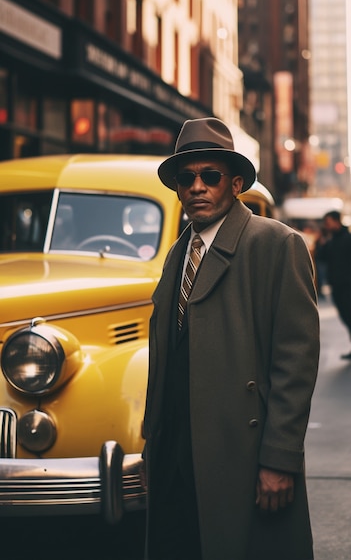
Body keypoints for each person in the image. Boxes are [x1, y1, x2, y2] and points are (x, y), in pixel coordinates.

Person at [142, 117, 320, 560]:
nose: (197, 187)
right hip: (176, 455)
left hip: (241, 456)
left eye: (211, 176)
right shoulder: (176, 255)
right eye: (187, 178)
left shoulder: (277, 244)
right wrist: (152, 445)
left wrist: (278, 459)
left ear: (236, 183)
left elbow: (295, 361)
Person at [318, 210, 351, 359]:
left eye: (328, 222)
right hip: (337, 286)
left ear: (336, 221)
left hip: (347, 286)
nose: (326, 225)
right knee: (345, 316)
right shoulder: (331, 240)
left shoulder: (347, 238)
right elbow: (322, 257)